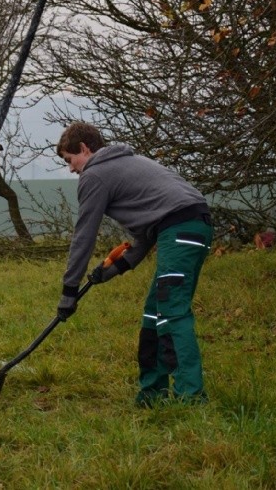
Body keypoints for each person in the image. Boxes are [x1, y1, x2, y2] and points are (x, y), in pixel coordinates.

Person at [55, 121, 213, 407]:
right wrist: (116, 268)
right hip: (187, 228)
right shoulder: (128, 162)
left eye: (70, 160)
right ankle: (152, 394)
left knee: (171, 312)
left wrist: (69, 290)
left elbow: (84, 236)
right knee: (154, 313)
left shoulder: (96, 174)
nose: (71, 169)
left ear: (84, 148)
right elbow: (147, 234)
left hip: (180, 230)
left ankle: (191, 397)